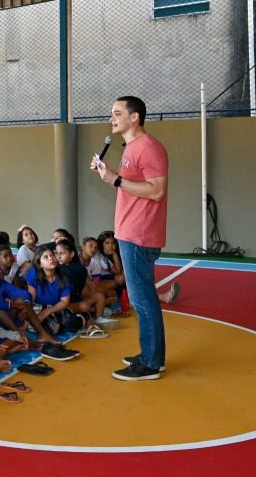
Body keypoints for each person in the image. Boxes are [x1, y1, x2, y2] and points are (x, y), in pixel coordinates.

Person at [92, 96, 169, 381]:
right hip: (131, 231)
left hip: (139, 234)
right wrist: (108, 175)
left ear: (134, 117)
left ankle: (150, 363)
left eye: (117, 113)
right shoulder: (132, 147)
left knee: (143, 300)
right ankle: (150, 356)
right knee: (142, 298)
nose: (112, 118)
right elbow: (132, 188)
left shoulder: (148, 147)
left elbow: (157, 190)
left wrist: (116, 179)